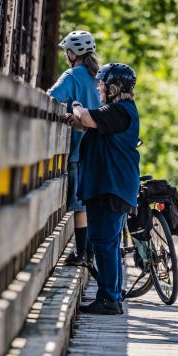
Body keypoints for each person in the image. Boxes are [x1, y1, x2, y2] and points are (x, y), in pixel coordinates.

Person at [65, 63, 140, 315]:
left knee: (103, 243)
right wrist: (77, 121)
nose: (98, 88)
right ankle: (112, 295)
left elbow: (87, 117)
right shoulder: (118, 112)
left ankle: (109, 298)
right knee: (108, 242)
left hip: (111, 186)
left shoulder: (119, 111)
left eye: (102, 84)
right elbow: (89, 125)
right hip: (112, 185)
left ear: (114, 87)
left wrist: (75, 106)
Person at [48, 30, 102, 266]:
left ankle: (82, 254)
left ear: (72, 53)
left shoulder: (72, 76)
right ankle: (89, 252)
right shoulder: (98, 77)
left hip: (80, 147)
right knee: (93, 199)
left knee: (80, 203)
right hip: (102, 146)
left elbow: (51, 97)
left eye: (66, 51)